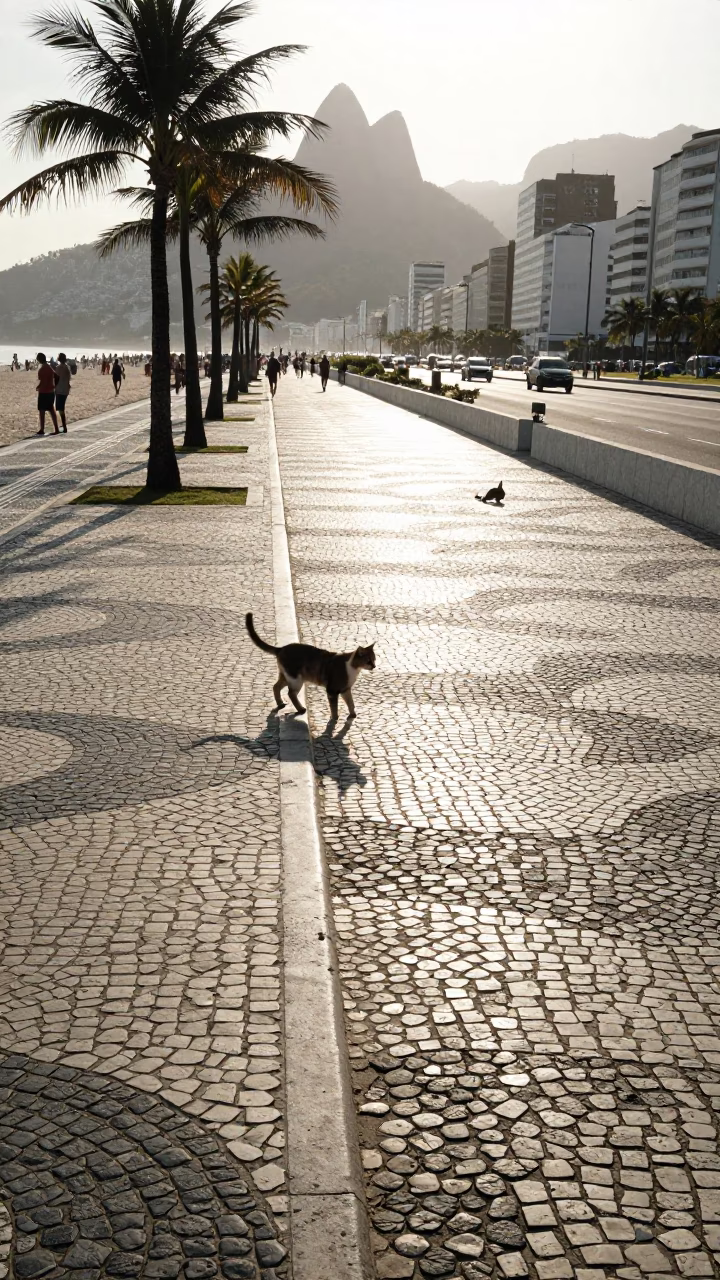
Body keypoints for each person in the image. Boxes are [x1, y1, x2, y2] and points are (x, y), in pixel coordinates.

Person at [36, 353, 59, 435]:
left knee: (42, 410)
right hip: (51, 391)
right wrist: (54, 385)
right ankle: (56, 428)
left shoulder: (42, 370)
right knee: (51, 410)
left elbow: (42, 381)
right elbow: (56, 376)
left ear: (39, 360)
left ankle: (42, 429)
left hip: (43, 392)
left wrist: (39, 386)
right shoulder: (50, 367)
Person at [54, 352, 72, 432]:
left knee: (60, 408)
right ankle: (63, 426)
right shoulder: (67, 367)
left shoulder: (58, 367)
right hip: (65, 389)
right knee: (61, 408)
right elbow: (68, 378)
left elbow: (56, 379)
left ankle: (63, 427)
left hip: (59, 390)